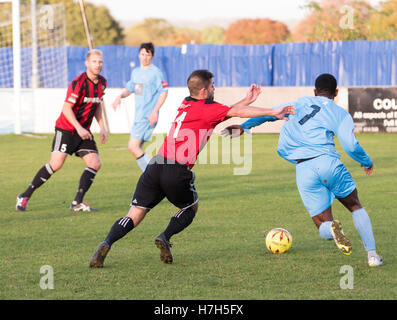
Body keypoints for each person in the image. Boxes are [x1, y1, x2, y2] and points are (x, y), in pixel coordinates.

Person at [89, 69, 295, 268]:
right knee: (190, 207)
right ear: (205, 90)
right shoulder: (208, 108)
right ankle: (165, 237)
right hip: (176, 171)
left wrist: (247, 100)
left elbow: (227, 112)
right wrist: (273, 111)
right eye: (213, 85)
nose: (215, 88)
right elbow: (235, 113)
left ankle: (106, 242)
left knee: (134, 214)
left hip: (155, 166)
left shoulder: (186, 103)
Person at [222, 73, 383, 267]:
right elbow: (350, 144)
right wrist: (366, 161)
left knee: (321, 224)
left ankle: (331, 228)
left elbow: (269, 114)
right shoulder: (339, 113)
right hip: (328, 163)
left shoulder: (298, 103)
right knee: (355, 205)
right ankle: (372, 256)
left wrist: (243, 126)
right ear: (336, 92)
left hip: (304, 169)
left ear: (315, 92)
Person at [16, 49, 108, 212]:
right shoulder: (78, 83)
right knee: (56, 164)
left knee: (94, 163)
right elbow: (66, 108)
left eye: (100, 61)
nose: (98, 64)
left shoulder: (102, 83)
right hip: (66, 129)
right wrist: (78, 128)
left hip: (83, 132)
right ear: (87, 63)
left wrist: (102, 126)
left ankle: (77, 203)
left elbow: (97, 105)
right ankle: (24, 195)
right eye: (94, 61)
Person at [112, 42, 168, 171]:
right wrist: (120, 96)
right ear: (139, 55)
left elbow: (164, 92)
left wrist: (155, 111)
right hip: (138, 117)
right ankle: (153, 178)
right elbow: (131, 88)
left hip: (147, 116)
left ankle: (153, 177)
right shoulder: (136, 72)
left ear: (152, 57)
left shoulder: (155, 72)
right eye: (142, 54)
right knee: (137, 149)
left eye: (147, 55)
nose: (144, 57)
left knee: (133, 147)